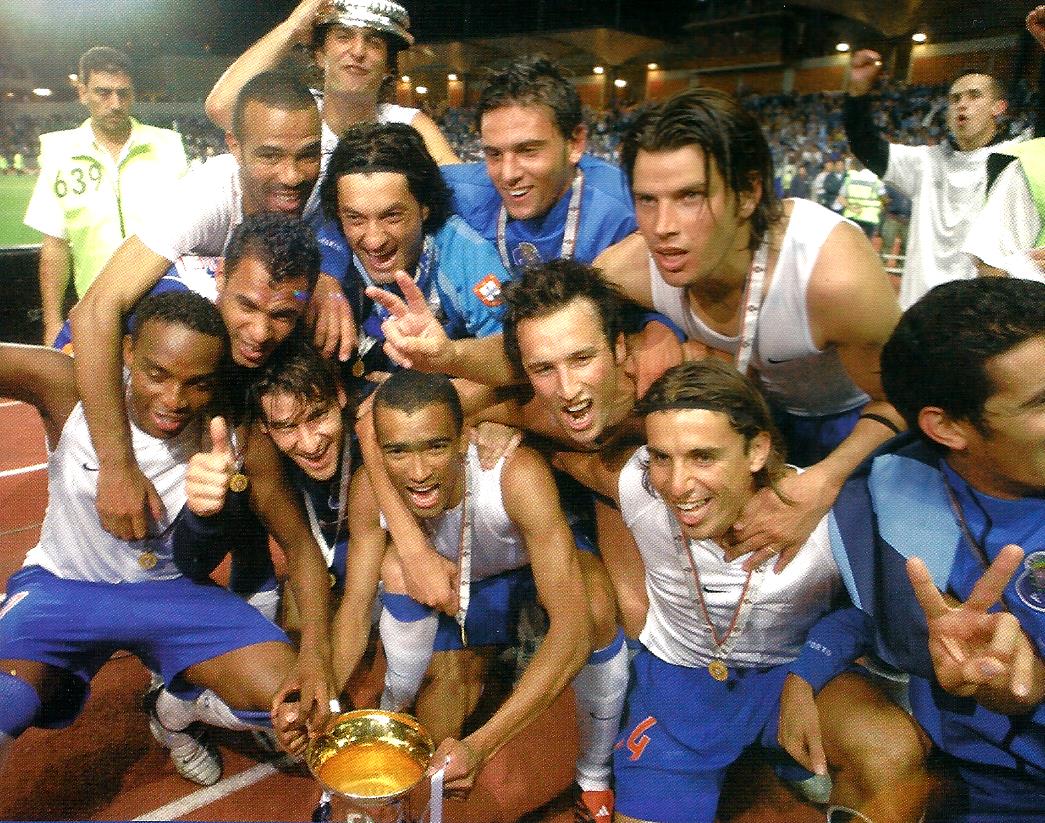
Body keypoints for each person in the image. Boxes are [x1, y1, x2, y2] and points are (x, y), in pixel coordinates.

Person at [552, 360, 921, 823]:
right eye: (661, 456)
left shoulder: (824, 518)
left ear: (757, 450)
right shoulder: (640, 486)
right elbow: (563, 444)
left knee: (891, 751)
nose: (677, 485)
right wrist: (490, 422)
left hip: (788, 674)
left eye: (703, 457)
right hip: (676, 683)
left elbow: (865, 613)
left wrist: (807, 673)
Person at [276, 370, 626, 820]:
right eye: (397, 451)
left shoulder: (515, 476)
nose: (419, 472)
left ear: (464, 438)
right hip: (462, 582)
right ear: (379, 451)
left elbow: (573, 631)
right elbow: (356, 611)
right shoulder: (369, 489)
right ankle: (401, 713)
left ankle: (594, 775)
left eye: (435, 447)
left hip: (531, 570)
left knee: (593, 607)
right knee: (429, 742)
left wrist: (482, 745)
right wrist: (322, 700)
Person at [0, 293, 308, 784]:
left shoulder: (236, 437)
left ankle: (176, 715)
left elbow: (300, 547)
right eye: (157, 374)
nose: (173, 399)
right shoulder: (67, 386)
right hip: (63, 584)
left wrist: (317, 663)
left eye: (197, 383)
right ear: (126, 352)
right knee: (8, 701)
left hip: (172, 593)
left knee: (297, 706)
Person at [593, 87, 904, 569]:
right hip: (753, 416)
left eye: (690, 197)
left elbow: (905, 399)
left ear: (748, 194)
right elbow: (552, 328)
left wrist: (827, 480)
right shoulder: (631, 267)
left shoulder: (832, 277)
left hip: (851, 421)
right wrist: (654, 330)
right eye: (647, 200)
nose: (662, 227)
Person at [787, 277, 1045, 822]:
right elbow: (854, 618)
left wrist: (1032, 691)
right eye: (1042, 402)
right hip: (970, 787)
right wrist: (805, 673)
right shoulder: (882, 501)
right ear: (947, 426)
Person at [204, 0, 457, 221]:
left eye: (374, 42)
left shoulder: (407, 124)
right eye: (344, 37)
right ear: (319, 56)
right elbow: (221, 106)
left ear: (388, 67)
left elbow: (461, 191)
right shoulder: (297, 113)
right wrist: (293, 26)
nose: (358, 51)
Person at [317, 121, 511, 380]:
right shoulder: (330, 261)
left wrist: (449, 361)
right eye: (355, 218)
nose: (374, 241)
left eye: (392, 216)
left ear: (424, 207)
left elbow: (515, 357)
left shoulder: (465, 256)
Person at [23, 47, 187, 345]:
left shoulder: (168, 146)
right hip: (96, 310)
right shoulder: (60, 153)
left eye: (123, 93)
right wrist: (52, 322)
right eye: (103, 93)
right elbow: (55, 246)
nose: (115, 104)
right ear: (82, 92)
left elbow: (190, 231)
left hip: (164, 308)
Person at [844, 49, 1020, 308]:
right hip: (918, 309)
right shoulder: (926, 161)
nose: (962, 104)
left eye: (974, 96)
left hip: (975, 315)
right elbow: (866, 146)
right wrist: (857, 94)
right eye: (955, 98)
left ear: (999, 107)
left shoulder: (1014, 161)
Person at [441, 56, 636, 277]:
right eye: (494, 154)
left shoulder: (625, 210)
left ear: (575, 143)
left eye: (528, 150)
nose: (508, 174)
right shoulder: (465, 190)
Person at [839, 157, 887, 239]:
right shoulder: (876, 179)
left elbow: (840, 199)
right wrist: (882, 204)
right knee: (865, 244)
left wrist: (851, 208)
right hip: (870, 218)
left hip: (851, 216)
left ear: (853, 165)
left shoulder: (849, 178)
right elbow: (884, 198)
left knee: (851, 242)